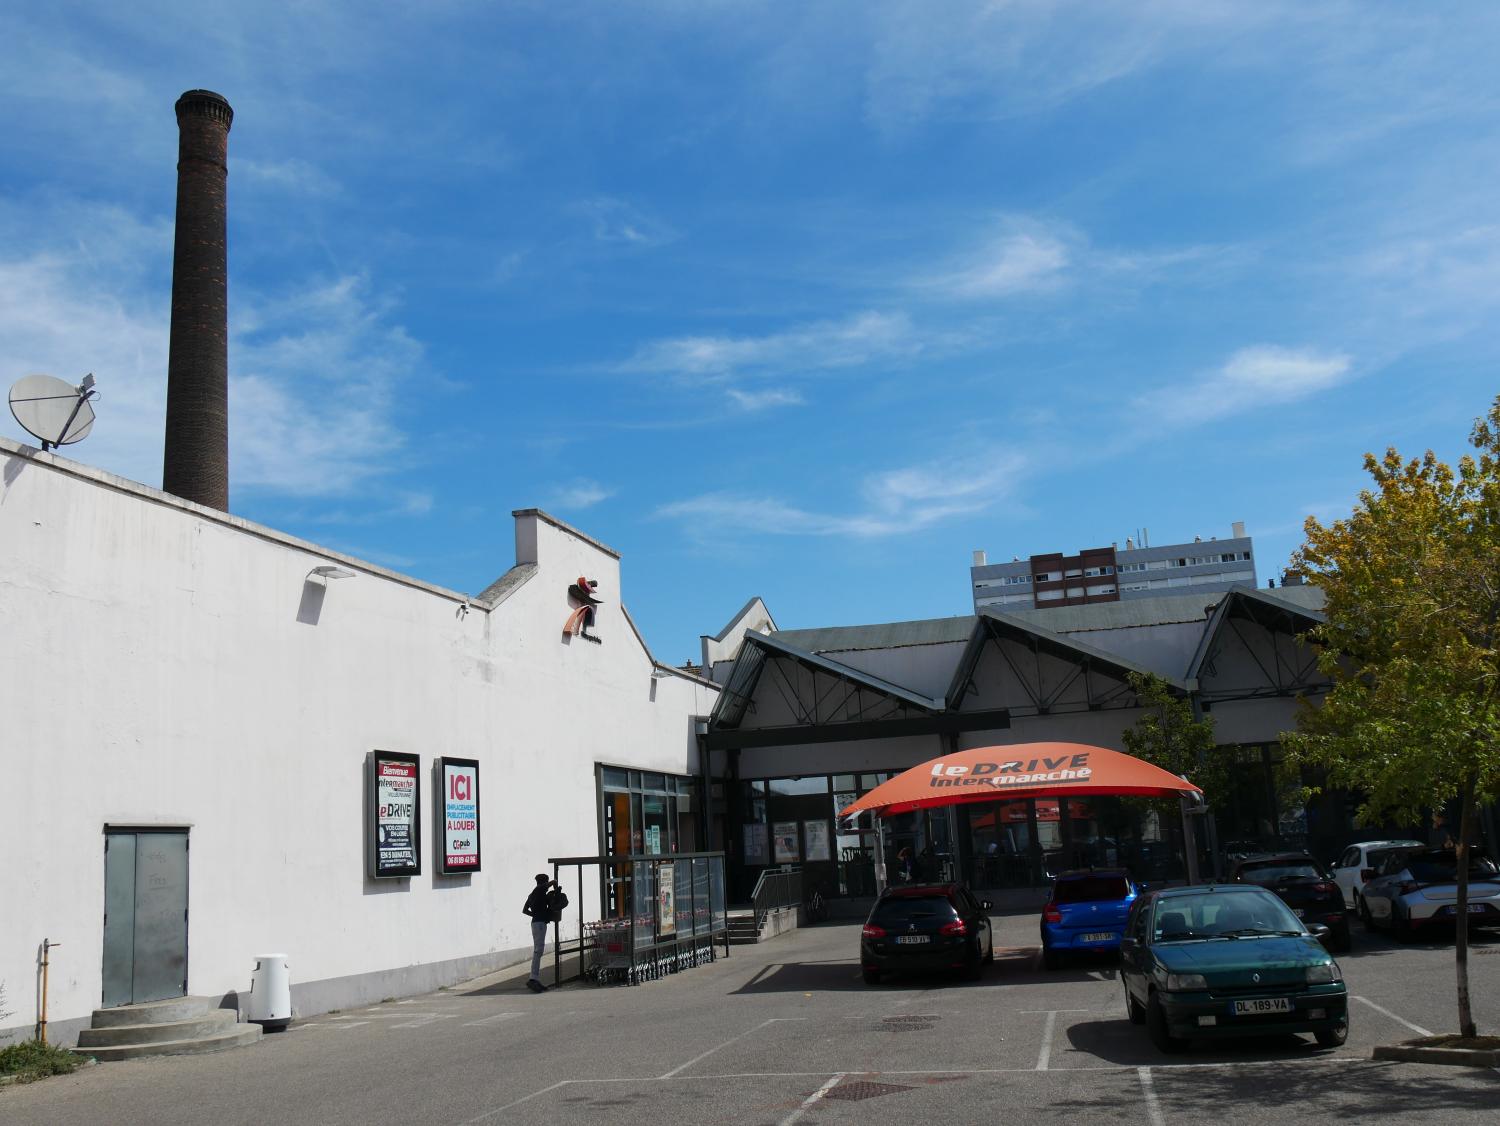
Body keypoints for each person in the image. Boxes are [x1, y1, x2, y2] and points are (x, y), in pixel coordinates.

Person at [522, 873, 554, 993]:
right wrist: (554, 884)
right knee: (538, 951)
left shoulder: (532, 894)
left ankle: (535, 978)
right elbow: (551, 883)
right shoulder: (539, 889)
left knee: (538, 950)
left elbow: (524, 910)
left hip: (536, 922)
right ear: (543, 882)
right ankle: (533, 979)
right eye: (546, 882)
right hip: (539, 924)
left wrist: (535, 914)